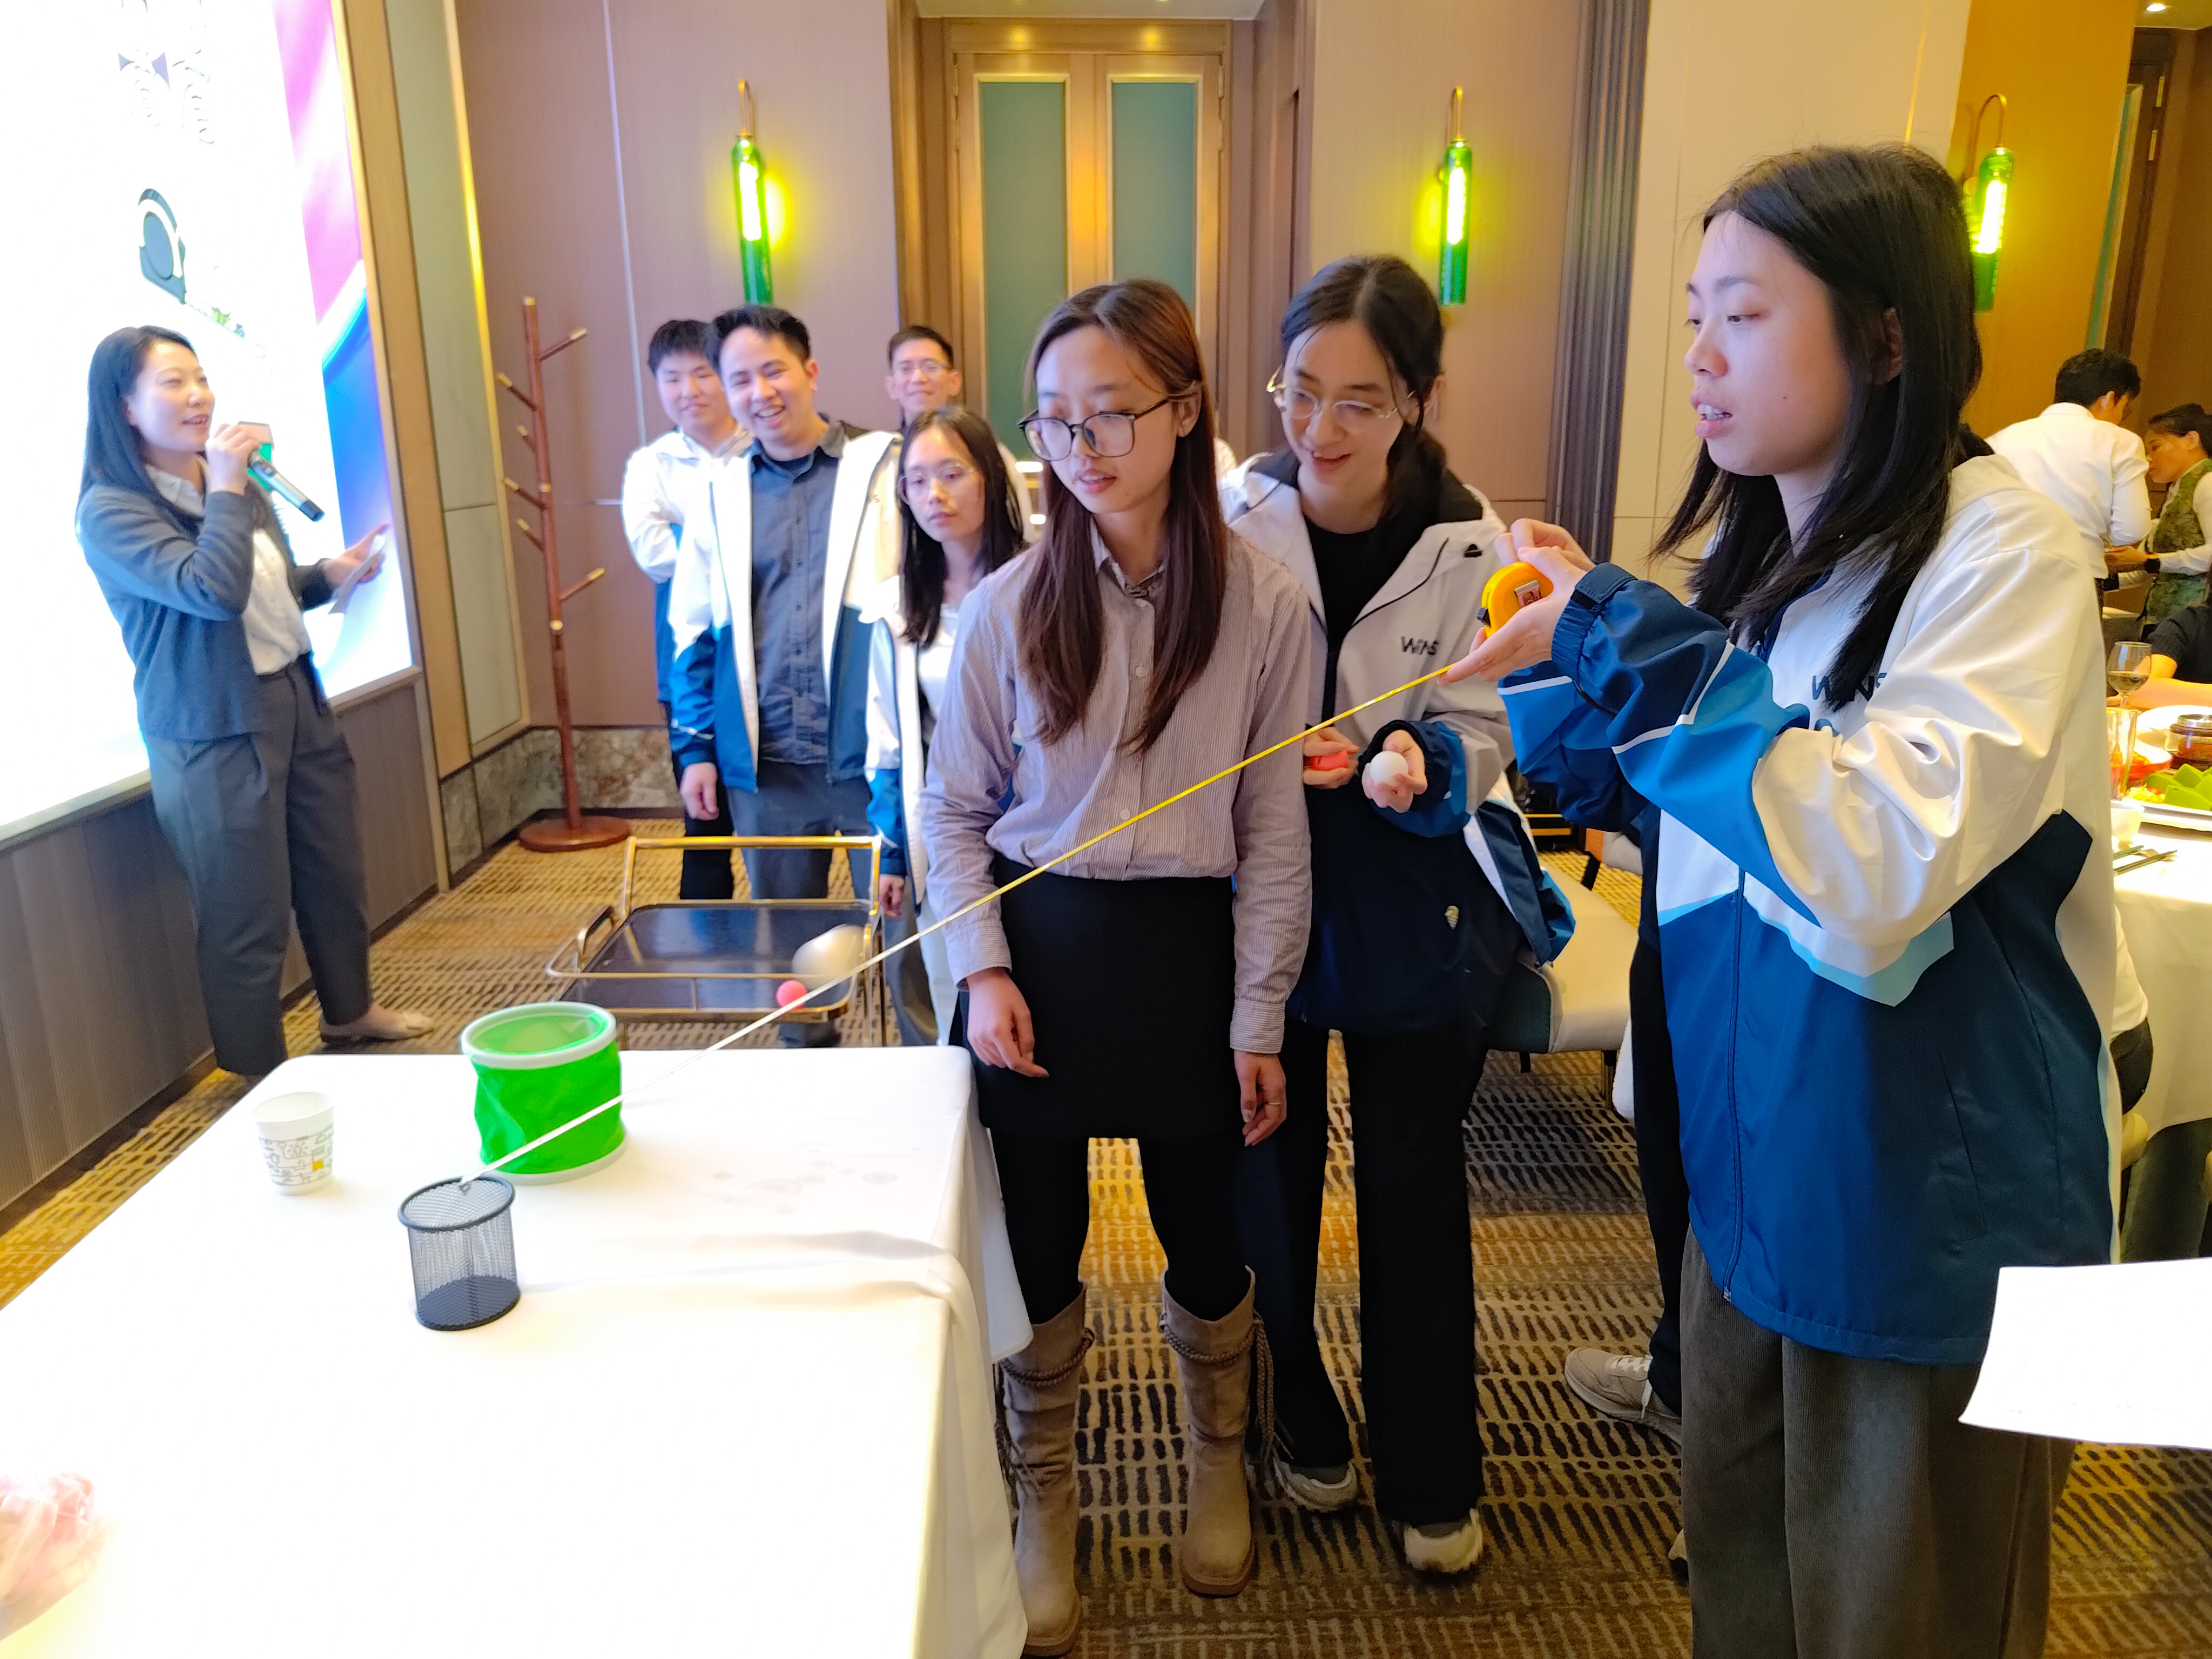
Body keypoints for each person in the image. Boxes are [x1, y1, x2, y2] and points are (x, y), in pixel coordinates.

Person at [1453, 145, 2112, 1656]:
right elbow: (1715, 825)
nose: (1698, 354)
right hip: (1757, 1178)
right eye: (1696, 314)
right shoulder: (1783, 561)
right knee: (1748, 1596)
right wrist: (1559, 685)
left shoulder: (2005, 549)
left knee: (1907, 1616)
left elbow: (1874, 861)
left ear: (1885, 337)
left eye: (1742, 316)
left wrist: (1640, 651)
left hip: (1924, 1218)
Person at [919, 279, 1310, 1653]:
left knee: (1206, 1228)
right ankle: (1045, 1496)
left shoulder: (1264, 602)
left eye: (1112, 414)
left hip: (1186, 954)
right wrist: (980, 971)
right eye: (1054, 421)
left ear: (1187, 410)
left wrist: (1259, 1014)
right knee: (1039, 1240)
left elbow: (1274, 830)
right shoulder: (1006, 607)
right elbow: (951, 811)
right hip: (1040, 958)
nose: (1080, 447)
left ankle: (1215, 1457)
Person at [1220, 253, 1569, 1575]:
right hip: (1262, 884)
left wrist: (1419, 756)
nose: (1320, 427)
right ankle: (1300, 1414)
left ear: (1418, 397)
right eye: (1299, 390)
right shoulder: (1237, 516)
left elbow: (1493, 723)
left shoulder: (1477, 541)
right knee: (1269, 1167)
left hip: (1412, 885)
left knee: (1412, 1183)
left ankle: (1430, 1466)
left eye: (1358, 400)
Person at [75, 326, 428, 1077]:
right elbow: (210, 590)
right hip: (211, 730)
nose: (198, 396)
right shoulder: (113, 510)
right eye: (173, 382)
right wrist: (231, 490)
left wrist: (327, 576)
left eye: (201, 377)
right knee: (245, 910)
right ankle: (259, 1074)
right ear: (125, 407)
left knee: (334, 874)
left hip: (296, 694)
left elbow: (267, 588)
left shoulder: (229, 481)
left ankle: (349, 1012)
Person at [668, 306, 901, 1044]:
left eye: (774, 371)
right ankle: (808, 1065)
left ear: (810, 371)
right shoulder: (720, 492)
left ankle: (921, 1073)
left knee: (904, 937)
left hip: (872, 758)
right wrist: (695, 749)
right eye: (741, 379)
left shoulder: (884, 469)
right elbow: (691, 629)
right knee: (788, 952)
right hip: (766, 765)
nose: (760, 392)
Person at [864, 403, 1024, 1046]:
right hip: (948, 836)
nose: (934, 493)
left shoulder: (1043, 584)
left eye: (952, 473)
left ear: (989, 475)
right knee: (957, 1009)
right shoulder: (897, 609)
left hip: (1039, 830)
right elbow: (889, 742)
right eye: (917, 479)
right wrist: (894, 854)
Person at [620, 318, 748, 899]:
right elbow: (654, 555)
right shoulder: (651, 464)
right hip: (690, 664)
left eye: (702, 374)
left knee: (784, 821)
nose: (688, 390)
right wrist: (737, 542)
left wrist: (688, 530)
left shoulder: (763, 446)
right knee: (704, 820)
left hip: (765, 661)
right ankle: (710, 937)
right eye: (672, 378)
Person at [1986, 348, 2150, 572]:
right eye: (2124, 407)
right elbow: (2131, 531)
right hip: (2077, 571)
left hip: (2003, 571)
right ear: (2109, 399)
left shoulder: (2000, 439)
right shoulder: (2120, 441)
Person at [884, 323, 1033, 530]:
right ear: (892, 386)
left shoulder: (989, 455)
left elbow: (1020, 529)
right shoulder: (883, 464)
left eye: (930, 366)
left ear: (954, 381)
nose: (918, 378)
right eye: (906, 369)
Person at [2110, 402, 2212, 625]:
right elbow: (2146, 564)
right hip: (2165, 617)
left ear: (2191, 440)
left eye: (2155, 447)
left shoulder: (2207, 482)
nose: (2149, 458)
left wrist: (2148, 561)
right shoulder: (2176, 491)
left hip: (2194, 622)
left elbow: (2210, 556)